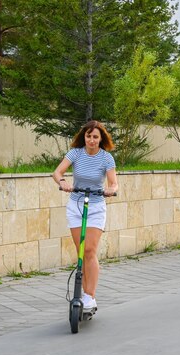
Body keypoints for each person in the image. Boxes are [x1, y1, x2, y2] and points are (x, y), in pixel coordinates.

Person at [53, 120, 118, 310]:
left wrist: (110, 189)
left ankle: (90, 295)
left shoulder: (106, 158)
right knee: (81, 252)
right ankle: (82, 293)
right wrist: (63, 181)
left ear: (101, 139)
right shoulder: (75, 153)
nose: (91, 140)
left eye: (95, 137)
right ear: (84, 137)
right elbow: (57, 172)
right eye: (88, 136)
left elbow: (114, 183)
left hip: (96, 205)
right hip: (76, 205)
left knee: (89, 250)